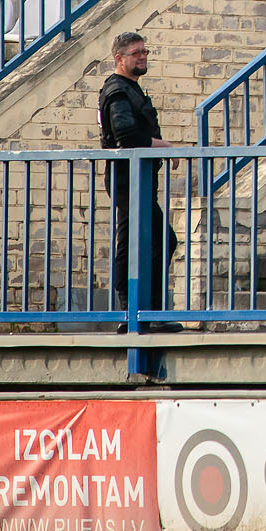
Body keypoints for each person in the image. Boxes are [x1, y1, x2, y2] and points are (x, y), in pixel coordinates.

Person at [98, 30, 175, 322]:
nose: (143, 57)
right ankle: (138, 310)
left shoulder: (130, 87)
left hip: (138, 178)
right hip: (127, 178)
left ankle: (142, 310)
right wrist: (165, 146)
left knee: (151, 241)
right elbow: (127, 136)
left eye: (145, 51)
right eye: (136, 53)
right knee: (151, 241)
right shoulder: (117, 89)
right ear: (119, 59)